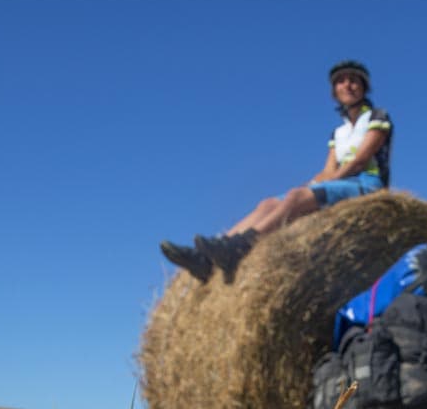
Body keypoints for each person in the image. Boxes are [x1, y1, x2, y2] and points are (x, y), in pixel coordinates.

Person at [160, 60, 393, 282]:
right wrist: (310, 185)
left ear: (364, 87)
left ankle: (240, 247)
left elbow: (360, 161)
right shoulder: (338, 133)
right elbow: (327, 171)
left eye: (354, 80)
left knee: (296, 198)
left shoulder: (376, 117)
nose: (348, 85)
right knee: (268, 203)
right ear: (335, 91)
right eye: (341, 81)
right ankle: (208, 256)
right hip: (340, 183)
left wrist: (313, 190)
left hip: (367, 184)